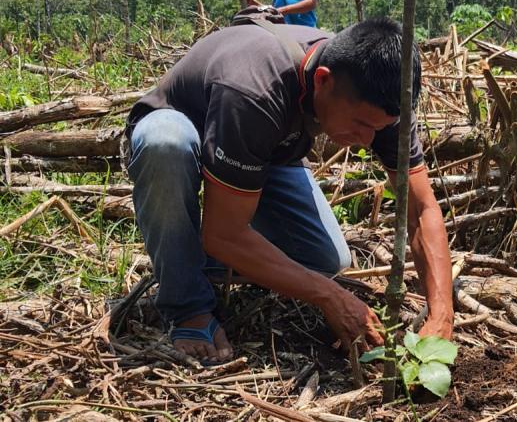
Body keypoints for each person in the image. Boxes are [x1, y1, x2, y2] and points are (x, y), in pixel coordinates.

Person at [124, 18, 454, 363]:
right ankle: (187, 306)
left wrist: (442, 314)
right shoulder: (255, 91)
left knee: (324, 260)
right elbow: (223, 236)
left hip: (263, 151)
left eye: (379, 129)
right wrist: (330, 297)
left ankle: (185, 256)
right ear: (323, 80)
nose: (368, 141)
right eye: (361, 125)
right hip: (187, 124)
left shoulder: (379, 97)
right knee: (165, 144)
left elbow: (421, 208)